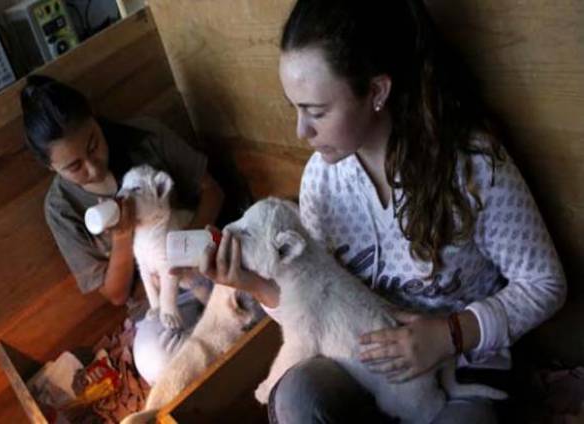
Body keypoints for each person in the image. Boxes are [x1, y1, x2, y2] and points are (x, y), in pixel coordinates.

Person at [183, 0, 568, 423]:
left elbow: (545, 283)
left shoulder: (472, 166)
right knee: (297, 397)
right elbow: (311, 298)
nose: (301, 131)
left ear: (377, 92)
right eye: (295, 107)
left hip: (462, 362)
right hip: (361, 359)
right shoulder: (322, 181)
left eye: (316, 111)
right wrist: (251, 283)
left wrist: (449, 334)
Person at [20, 74, 225, 384]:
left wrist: (183, 249)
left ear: (95, 119)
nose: (93, 166)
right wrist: (122, 236)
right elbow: (116, 294)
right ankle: (225, 348)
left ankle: (228, 337)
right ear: (51, 167)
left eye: (94, 145)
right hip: (155, 301)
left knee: (250, 288)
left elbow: (213, 191)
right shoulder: (61, 208)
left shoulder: (144, 137)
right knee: (155, 360)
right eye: (74, 167)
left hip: (205, 260)